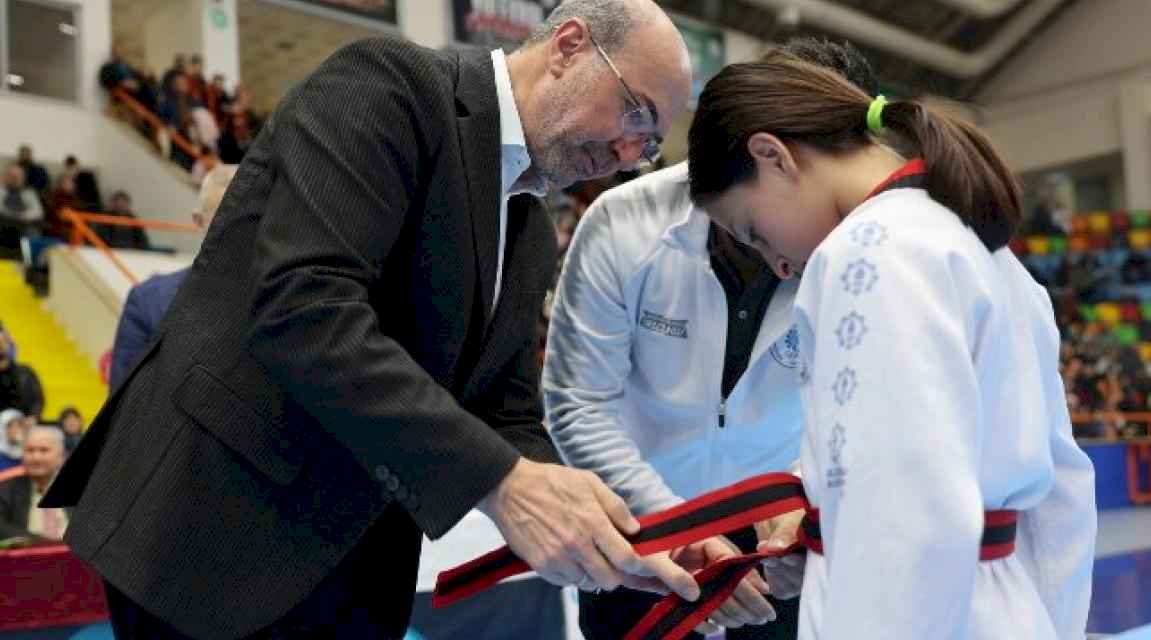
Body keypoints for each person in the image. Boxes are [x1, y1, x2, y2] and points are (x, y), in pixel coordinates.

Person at [43, 2, 696, 637]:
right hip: (212, 528)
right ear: (569, 46)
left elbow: (506, 411)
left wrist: (626, 531)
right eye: (634, 111)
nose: (629, 150)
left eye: (649, 141)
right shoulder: (390, 85)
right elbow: (306, 311)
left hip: (354, 564)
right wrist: (503, 482)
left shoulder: (526, 226)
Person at [685, 51, 1097, 639]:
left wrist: (841, 534)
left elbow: (903, 513)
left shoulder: (864, 254)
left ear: (771, 156)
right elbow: (1063, 497)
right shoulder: (991, 258)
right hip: (1009, 610)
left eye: (753, 230)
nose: (776, 265)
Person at [544, 37, 878, 640]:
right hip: (640, 529)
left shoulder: (864, 248)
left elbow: (857, 408)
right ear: (771, 157)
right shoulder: (624, 222)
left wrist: (803, 501)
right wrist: (671, 522)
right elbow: (577, 403)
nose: (789, 265)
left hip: (779, 543)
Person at [108, 166, 237, 390]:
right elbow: (123, 404)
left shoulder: (287, 302)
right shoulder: (148, 302)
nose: (237, 230)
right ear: (198, 220)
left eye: (252, 218)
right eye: (223, 216)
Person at [0, 426, 68, 542]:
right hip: (27, 557)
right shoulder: (5, 489)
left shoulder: (83, 490)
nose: (36, 457)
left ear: (61, 456)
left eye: (44, 450)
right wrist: (47, 545)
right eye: (30, 450)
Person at [0, 331, 43, 420]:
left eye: (3, 342)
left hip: (23, 425)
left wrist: (33, 417)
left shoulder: (26, 372)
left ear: (10, 346)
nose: (0, 346)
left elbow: (38, 399)